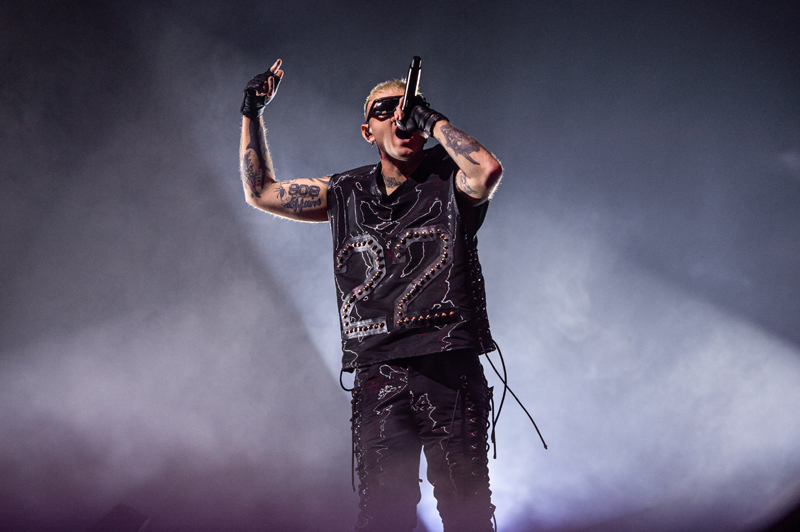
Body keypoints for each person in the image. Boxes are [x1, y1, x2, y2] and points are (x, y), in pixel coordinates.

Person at [239, 58, 503, 532]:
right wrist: (252, 114)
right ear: (368, 131)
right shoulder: (345, 191)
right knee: (382, 517)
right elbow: (261, 192)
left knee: (467, 513)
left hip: (448, 366)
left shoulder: (448, 178)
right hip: (378, 373)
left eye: (410, 108)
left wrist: (432, 120)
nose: (401, 117)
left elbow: (487, 171)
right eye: (387, 110)